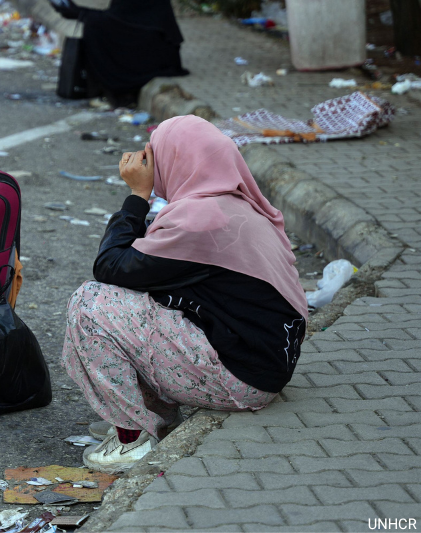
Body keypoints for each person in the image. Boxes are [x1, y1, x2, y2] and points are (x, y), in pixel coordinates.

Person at [61, 115, 308, 473]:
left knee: (90, 305)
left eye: (156, 155)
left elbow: (111, 266)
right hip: (261, 366)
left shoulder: (201, 219)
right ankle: (149, 414)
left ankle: (132, 440)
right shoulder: (234, 206)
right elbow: (144, 273)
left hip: (242, 379)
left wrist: (137, 196)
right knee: (132, 306)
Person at [49, 0, 189, 107]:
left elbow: (121, 21)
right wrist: (79, 12)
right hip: (154, 42)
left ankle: (113, 87)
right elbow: (120, 17)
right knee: (96, 23)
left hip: (155, 48)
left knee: (95, 26)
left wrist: (80, 13)